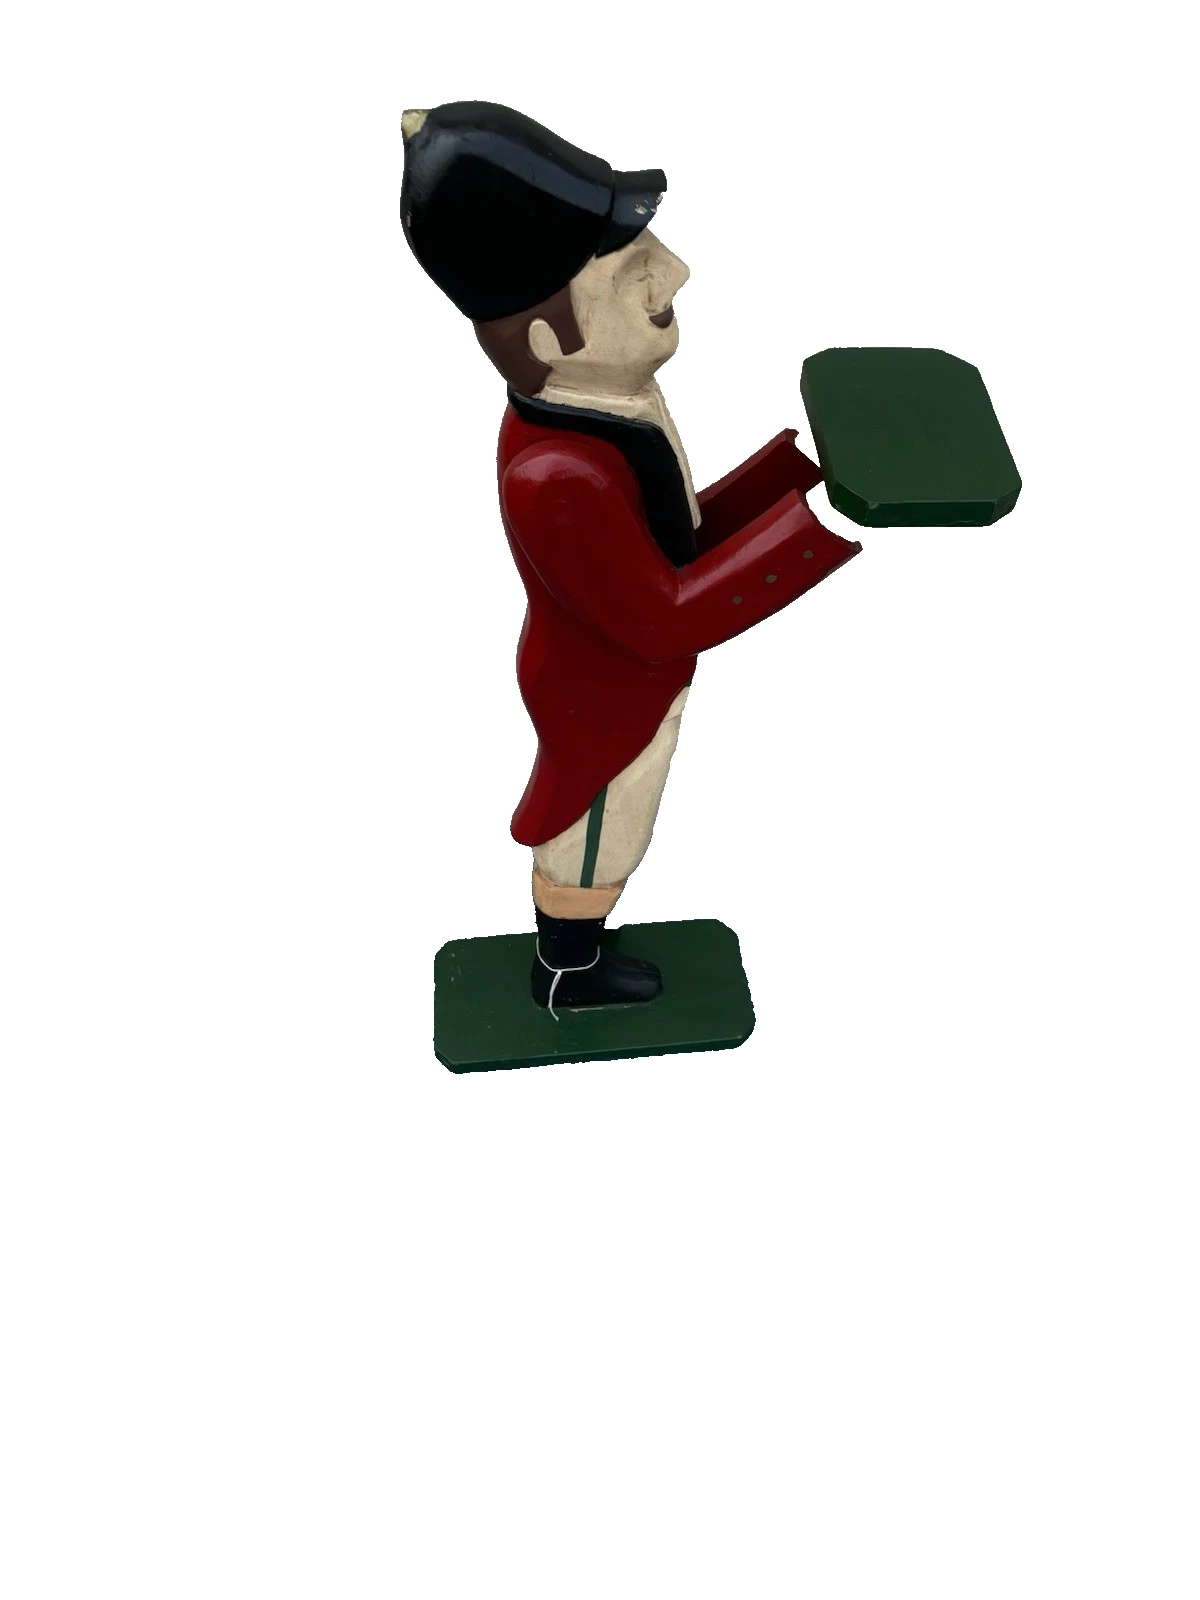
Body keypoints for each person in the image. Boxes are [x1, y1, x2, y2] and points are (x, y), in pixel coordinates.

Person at [401, 103, 861, 1013]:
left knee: (617, 818)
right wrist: (815, 531)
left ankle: (574, 956)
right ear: (549, 338)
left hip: (622, 673)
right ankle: (567, 971)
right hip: (606, 688)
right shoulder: (556, 477)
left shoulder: (602, 408)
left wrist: (797, 472)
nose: (674, 271)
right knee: (603, 825)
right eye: (631, 270)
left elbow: (674, 533)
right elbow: (664, 616)